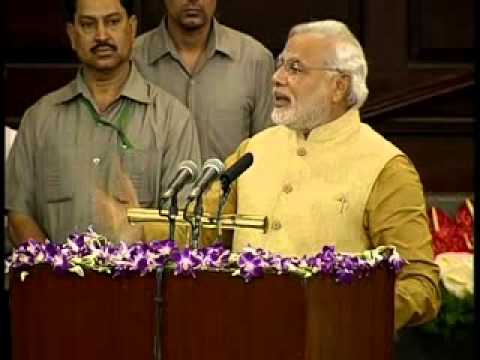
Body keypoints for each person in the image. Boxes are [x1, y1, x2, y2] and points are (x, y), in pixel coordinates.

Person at [200, 20, 441, 330]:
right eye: (280, 65)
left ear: (338, 86)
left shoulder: (385, 166)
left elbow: (420, 284)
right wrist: (133, 229)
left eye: (295, 68)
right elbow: (200, 231)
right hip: (243, 337)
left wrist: (347, 315)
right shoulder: (254, 150)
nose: (277, 78)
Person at [6, 0, 201, 246]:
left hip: (141, 283)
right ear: (72, 34)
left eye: (112, 22)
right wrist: (55, 273)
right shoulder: (39, 119)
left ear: (132, 28)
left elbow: (184, 225)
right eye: (88, 25)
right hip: (54, 282)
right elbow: (18, 214)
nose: (101, 35)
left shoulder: (173, 121)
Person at [133, 0, 275, 162]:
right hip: (154, 187)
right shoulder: (133, 61)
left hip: (234, 187)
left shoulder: (255, 60)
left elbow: (268, 154)